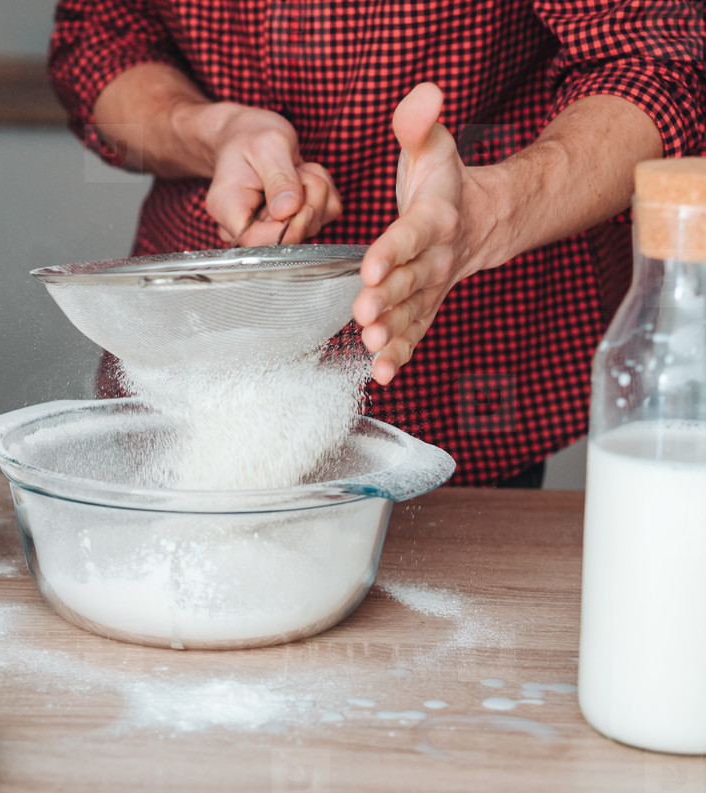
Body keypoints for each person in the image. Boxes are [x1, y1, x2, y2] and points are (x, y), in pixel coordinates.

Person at [48, 0, 706, 487]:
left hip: (468, 356)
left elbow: (657, 63)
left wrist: (491, 211)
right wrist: (212, 132)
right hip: (196, 340)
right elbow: (102, 42)